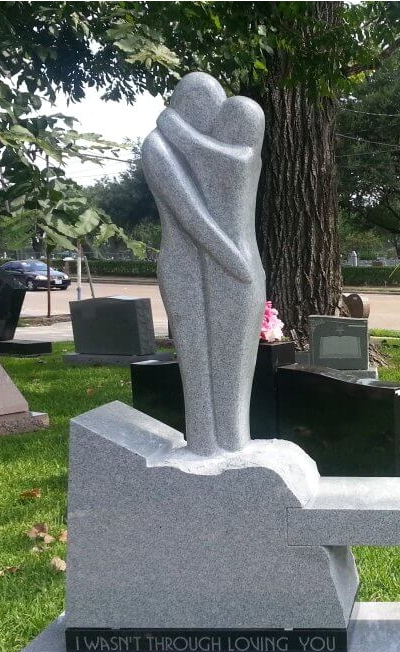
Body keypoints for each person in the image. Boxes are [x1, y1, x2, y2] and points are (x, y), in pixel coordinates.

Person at [141, 73, 265, 456]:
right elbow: (190, 215)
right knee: (198, 370)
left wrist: (178, 130)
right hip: (190, 269)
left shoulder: (241, 157)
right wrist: (234, 262)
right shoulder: (157, 147)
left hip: (240, 268)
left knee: (235, 370)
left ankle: (232, 443)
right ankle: (206, 447)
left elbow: (231, 161)